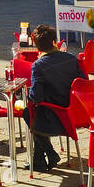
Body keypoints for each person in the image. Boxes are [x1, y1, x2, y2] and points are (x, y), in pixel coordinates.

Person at [23, 24, 81, 173]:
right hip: (76, 113)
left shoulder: (38, 65)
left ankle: (50, 152)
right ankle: (38, 161)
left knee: (28, 112)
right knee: (35, 112)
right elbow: (83, 83)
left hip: (55, 117)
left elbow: (36, 97)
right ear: (55, 41)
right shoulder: (71, 58)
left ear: (37, 46)